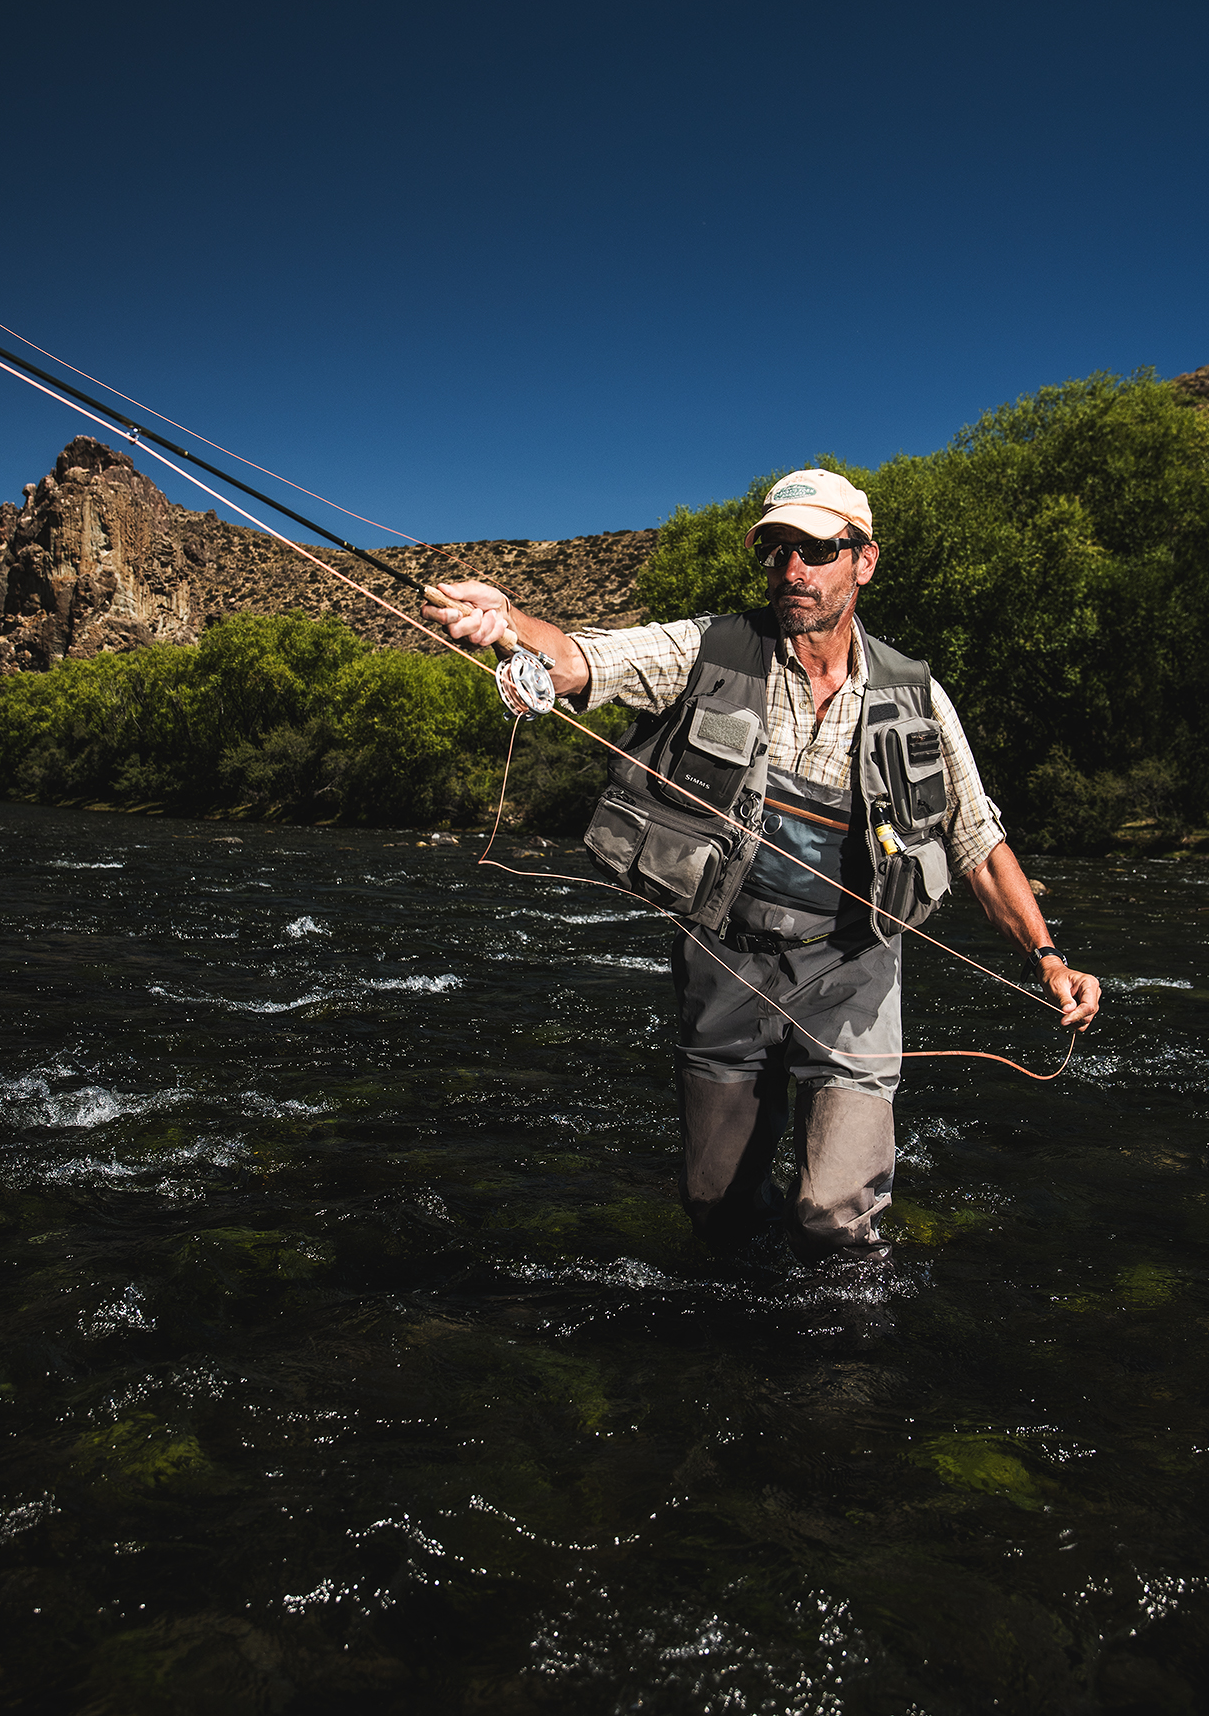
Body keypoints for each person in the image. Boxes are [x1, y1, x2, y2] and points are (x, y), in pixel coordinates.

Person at [423, 469, 1100, 1274]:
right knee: (717, 1210)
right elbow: (581, 661)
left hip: (853, 971)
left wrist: (1047, 958)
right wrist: (508, 625)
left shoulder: (914, 694)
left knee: (831, 1215)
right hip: (725, 962)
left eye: (815, 550)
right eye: (777, 552)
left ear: (865, 561)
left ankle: (848, 1356)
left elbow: (977, 841)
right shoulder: (712, 649)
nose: (792, 570)